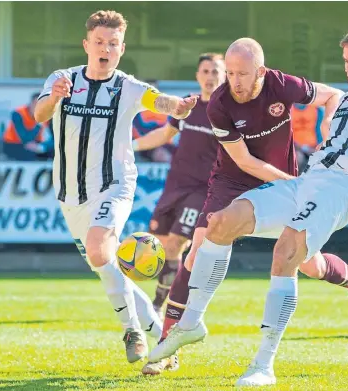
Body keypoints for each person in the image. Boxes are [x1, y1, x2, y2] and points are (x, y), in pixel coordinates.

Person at [148, 26, 348, 387]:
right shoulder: (346, 99)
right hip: (307, 179)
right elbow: (331, 100)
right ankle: (191, 324)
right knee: (220, 223)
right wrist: (331, 114)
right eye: (346, 60)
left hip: (342, 186)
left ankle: (263, 365)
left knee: (286, 251)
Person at [146, 37, 343, 372]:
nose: (234, 81)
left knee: (306, 261)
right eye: (231, 73)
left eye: (242, 74)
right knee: (197, 248)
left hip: (282, 180)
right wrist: (292, 183)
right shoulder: (218, 104)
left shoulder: (283, 85)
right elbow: (246, 161)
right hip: (233, 181)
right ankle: (172, 341)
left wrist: (328, 123)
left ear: (261, 72)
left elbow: (333, 95)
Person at [33, 10, 197, 364]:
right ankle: (164, 344)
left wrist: (180, 108)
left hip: (114, 186)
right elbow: (39, 114)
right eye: (99, 42)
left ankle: (132, 330)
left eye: (113, 43)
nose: (105, 49)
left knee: (98, 249)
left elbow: (161, 102)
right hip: (70, 195)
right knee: (105, 266)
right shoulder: (62, 79)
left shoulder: (128, 87)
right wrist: (53, 98)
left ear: (122, 49)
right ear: (86, 45)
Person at [132, 52, 225, 375]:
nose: (211, 75)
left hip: (202, 191)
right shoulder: (188, 106)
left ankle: (160, 310)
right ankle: (162, 306)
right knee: (155, 248)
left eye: (216, 70)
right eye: (205, 70)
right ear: (198, 75)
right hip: (174, 186)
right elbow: (164, 135)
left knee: (175, 246)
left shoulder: (226, 110)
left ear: (224, 75)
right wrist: (128, 148)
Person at [132, 79, 174, 163]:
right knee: (161, 155)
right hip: (145, 145)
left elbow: (171, 127)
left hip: (165, 144)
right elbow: (140, 129)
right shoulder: (136, 108)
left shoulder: (166, 107)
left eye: (154, 90)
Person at [2, 92, 53, 161]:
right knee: (30, 155)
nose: (38, 107)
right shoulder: (18, 113)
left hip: (35, 144)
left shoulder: (47, 115)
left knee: (53, 152)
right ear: (31, 104)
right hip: (14, 144)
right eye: (36, 104)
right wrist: (39, 122)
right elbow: (25, 138)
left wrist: (43, 147)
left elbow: (55, 137)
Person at [291, 103, 324, 172]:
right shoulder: (289, 110)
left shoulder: (317, 110)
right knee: (297, 158)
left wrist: (318, 148)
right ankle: (293, 180)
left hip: (314, 147)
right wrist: (301, 147)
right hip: (295, 148)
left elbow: (320, 132)